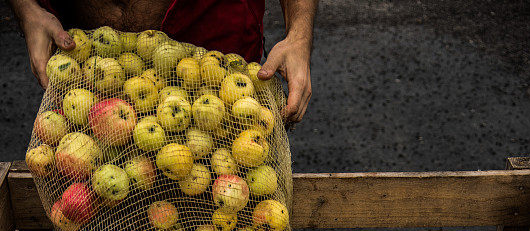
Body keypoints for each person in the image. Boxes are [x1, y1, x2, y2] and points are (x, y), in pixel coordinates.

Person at [8, 0, 317, 124]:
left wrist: (299, 36)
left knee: (226, 221)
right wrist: (26, 9)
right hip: (89, 70)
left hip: (214, 68)